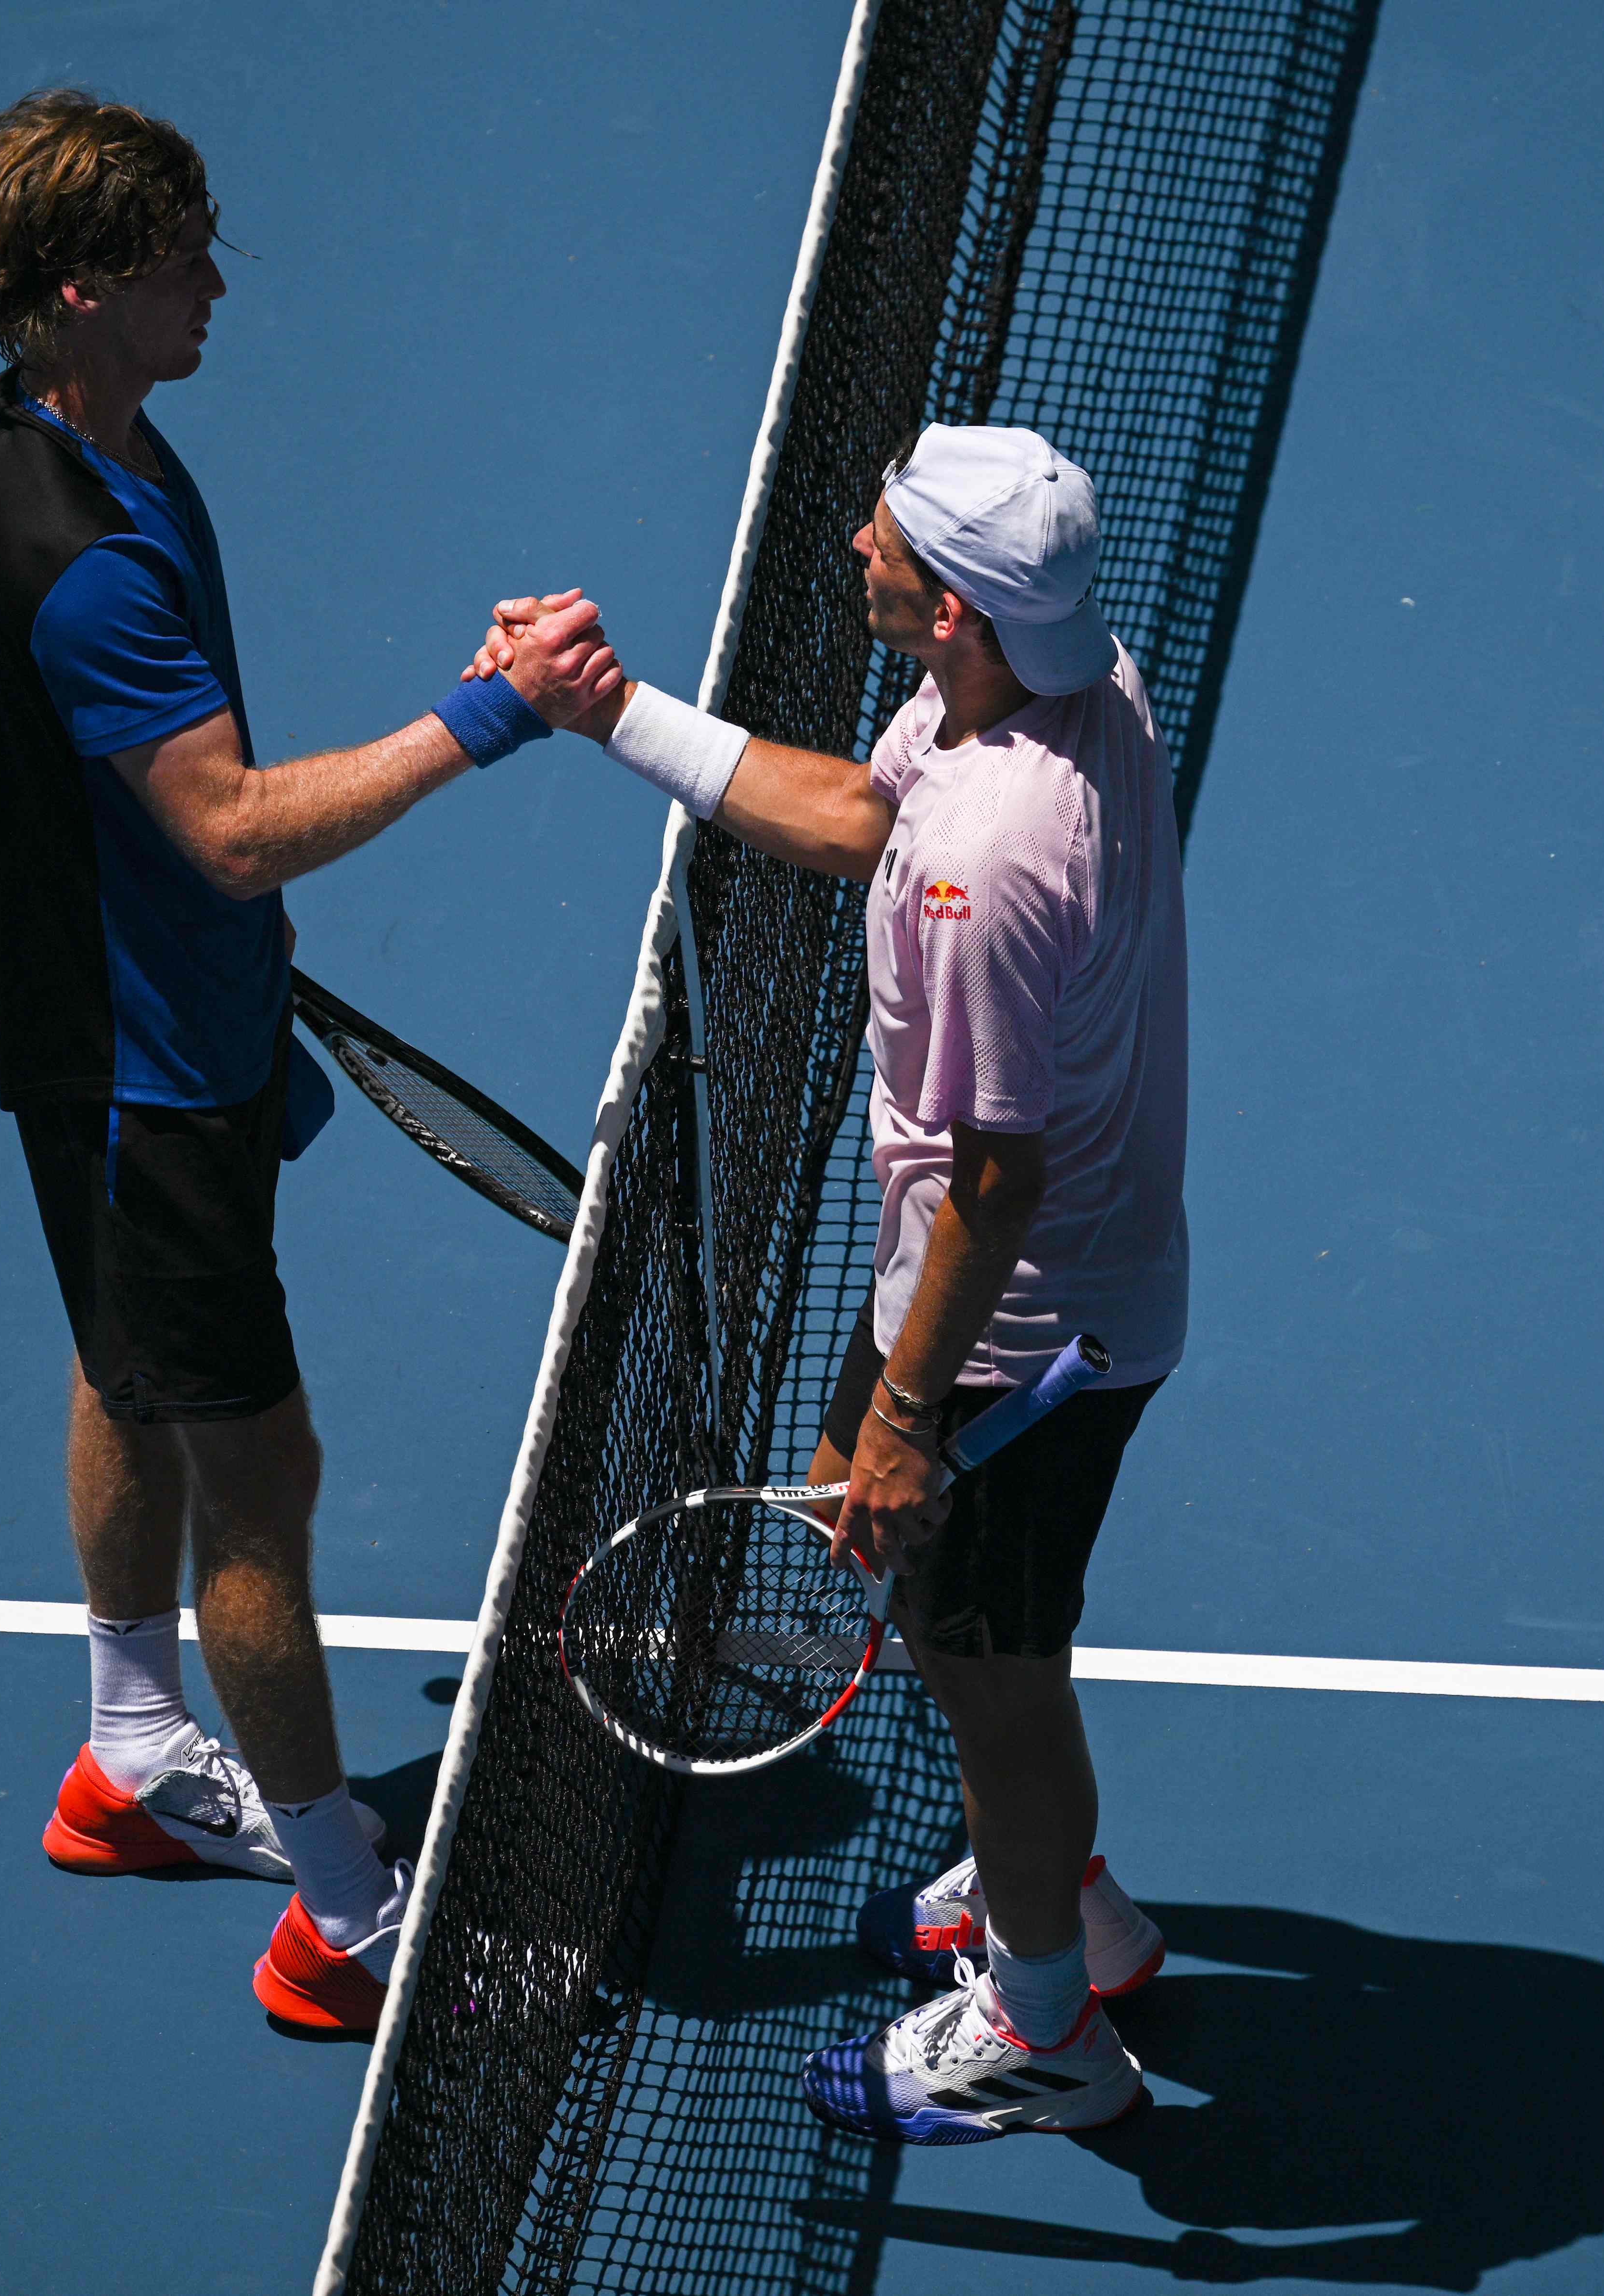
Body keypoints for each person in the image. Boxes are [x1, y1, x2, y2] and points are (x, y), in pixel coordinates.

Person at [0, 89, 619, 2035]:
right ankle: (343, 1915)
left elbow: (171, 835)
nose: (218, 283)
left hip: (155, 1031)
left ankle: (134, 1752)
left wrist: (228, 930)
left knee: (122, 1362)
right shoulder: (80, 556)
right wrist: (488, 716)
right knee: (263, 1477)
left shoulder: (71, 436)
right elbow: (224, 821)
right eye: (180, 259)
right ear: (85, 291)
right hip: (140, 1083)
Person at [477, 423, 1188, 2139]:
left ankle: (1047, 2029)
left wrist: (901, 1418)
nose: (849, 537)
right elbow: (861, 809)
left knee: (997, 1681)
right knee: (962, 1651)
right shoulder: (1041, 683)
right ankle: (1067, 1908)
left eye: (878, 527)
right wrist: (613, 711)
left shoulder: (990, 863)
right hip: (996, 1307)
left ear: (946, 601)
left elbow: (1000, 1179)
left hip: (1020, 1348)